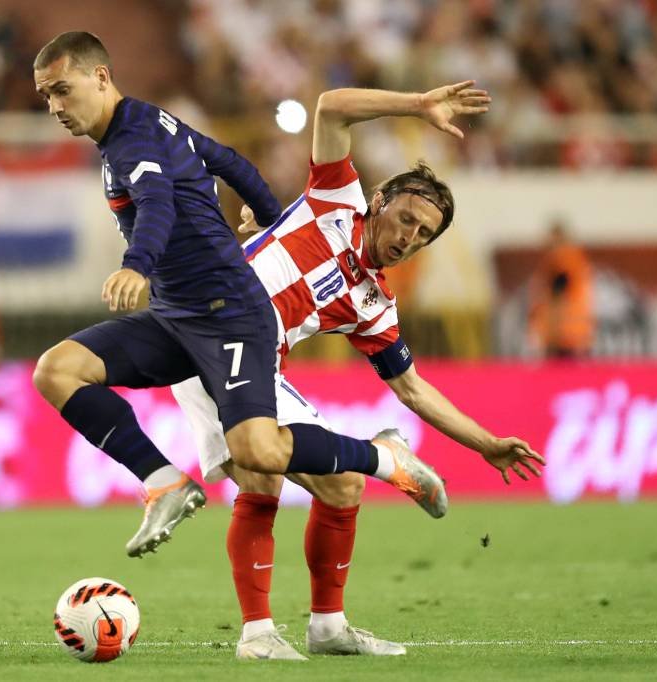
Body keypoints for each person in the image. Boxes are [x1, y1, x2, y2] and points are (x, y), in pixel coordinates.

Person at [171, 80, 546, 659]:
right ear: (378, 200)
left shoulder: (373, 306)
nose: (408, 237)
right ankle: (264, 632)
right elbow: (331, 107)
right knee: (272, 472)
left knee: (327, 485)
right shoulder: (335, 199)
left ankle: (318, 628)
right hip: (215, 337)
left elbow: (413, 389)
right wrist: (419, 106)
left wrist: (485, 443)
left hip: (241, 360)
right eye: (405, 219)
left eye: (423, 235)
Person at [31, 32, 441, 558]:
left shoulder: (133, 139)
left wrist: (137, 265)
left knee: (257, 451)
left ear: (101, 77)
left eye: (62, 90)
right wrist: (271, 226)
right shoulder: (150, 122)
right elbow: (231, 162)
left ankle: (384, 457)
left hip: (229, 313)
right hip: (179, 313)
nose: (55, 107)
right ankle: (164, 483)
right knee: (56, 370)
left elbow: (156, 203)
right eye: (46, 96)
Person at [527, 220, 595, 358]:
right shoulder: (576, 259)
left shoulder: (562, 260)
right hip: (575, 335)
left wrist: (550, 332)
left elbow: (557, 298)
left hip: (562, 336)